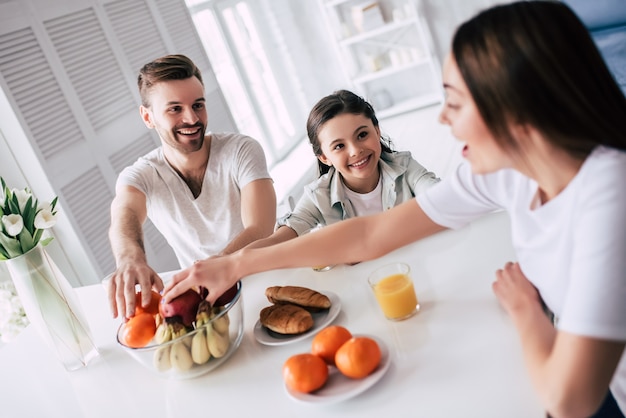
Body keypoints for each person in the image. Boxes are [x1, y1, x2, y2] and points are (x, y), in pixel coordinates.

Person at [163, 2, 626, 416]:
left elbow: (569, 400)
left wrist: (527, 309)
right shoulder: (508, 169)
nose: (443, 118)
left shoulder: (610, 197)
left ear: (518, 111)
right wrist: (234, 264)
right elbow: (370, 235)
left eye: (455, 102)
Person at [107, 54, 276, 319]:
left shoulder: (241, 149)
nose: (192, 118)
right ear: (148, 117)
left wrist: (215, 267)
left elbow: (261, 228)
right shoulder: (141, 175)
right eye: (175, 109)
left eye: (198, 105)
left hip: (269, 279)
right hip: (207, 303)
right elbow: (125, 211)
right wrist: (129, 257)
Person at [246, 89, 439, 250]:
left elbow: (439, 194)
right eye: (339, 146)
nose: (356, 151)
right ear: (324, 157)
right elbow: (280, 239)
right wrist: (233, 260)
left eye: (362, 134)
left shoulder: (405, 167)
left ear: (377, 131)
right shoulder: (318, 195)